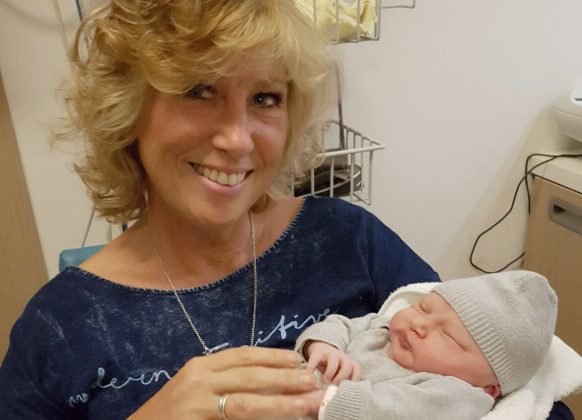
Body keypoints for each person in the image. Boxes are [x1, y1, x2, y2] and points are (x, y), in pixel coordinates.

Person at [0, 1, 572, 419]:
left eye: (265, 98)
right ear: (129, 110)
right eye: (198, 89)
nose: (237, 139)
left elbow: (519, 390)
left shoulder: (350, 241)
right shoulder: (60, 329)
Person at [295, 271, 558, 419]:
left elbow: (397, 411)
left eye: (447, 336)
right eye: (422, 308)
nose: (419, 324)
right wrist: (323, 345)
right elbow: (341, 324)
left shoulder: (458, 395)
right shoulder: (382, 330)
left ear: (488, 387)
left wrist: (319, 401)